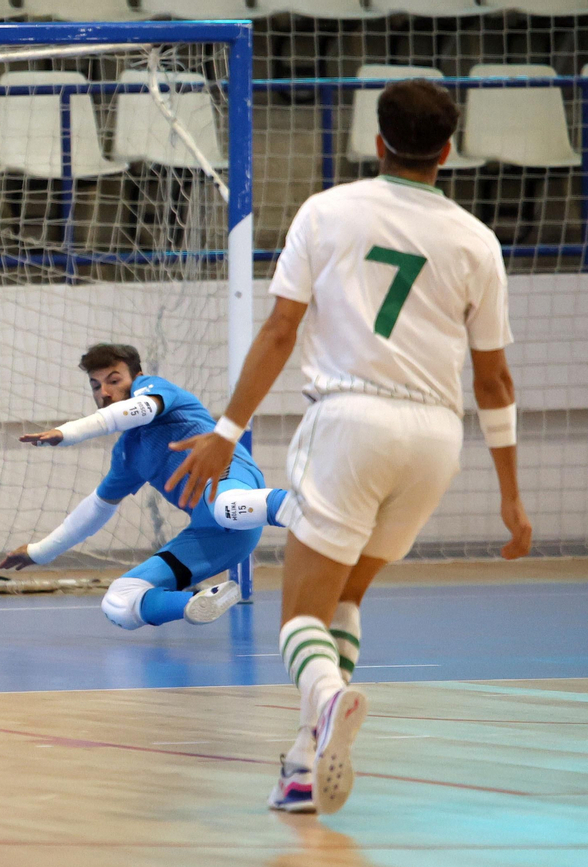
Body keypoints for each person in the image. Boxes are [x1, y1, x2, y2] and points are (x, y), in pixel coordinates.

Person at [166, 80, 531, 814]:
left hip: (351, 423)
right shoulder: (475, 239)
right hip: (435, 437)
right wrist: (511, 493)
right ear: (449, 151)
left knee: (300, 614)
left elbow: (278, 333)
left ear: (377, 141)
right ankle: (304, 764)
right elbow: (492, 380)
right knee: (346, 598)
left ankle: (328, 702)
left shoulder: (326, 211)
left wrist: (225, 433)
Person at [0, 343, 292, 630]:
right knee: (118, 600)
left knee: (226, 507)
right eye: (96, 385)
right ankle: (196, 602)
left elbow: (140, 410)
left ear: (137, 377)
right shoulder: (127, 453)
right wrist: (39, 552)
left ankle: (307, 508)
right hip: (219, 539)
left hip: (231, 484)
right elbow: (94, 511)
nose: (105, 392)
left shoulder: (155, 389)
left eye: (114, 380)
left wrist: (68, 432)